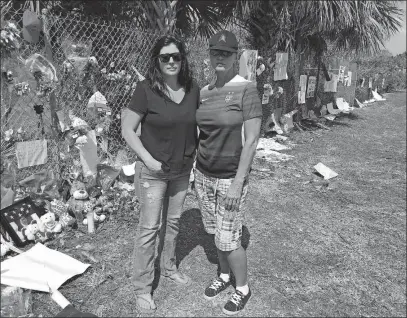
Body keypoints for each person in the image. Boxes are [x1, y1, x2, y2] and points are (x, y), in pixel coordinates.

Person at [122, 35, 200, 313]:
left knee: (174, 222)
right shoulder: (146, 89)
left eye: (176, 56)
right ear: (156, 61)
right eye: (165, 57)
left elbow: (196, 125)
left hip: (181, 170)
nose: (171, 62)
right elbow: (128, 129)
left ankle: (168, 267)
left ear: (183, 59)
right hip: (153, 172)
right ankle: (142, 288)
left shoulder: (192, 89)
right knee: (149, 229)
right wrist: (148, 160)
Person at [194, 30, 262, 315]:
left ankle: (243, 288)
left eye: (226, 53)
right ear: (209, 55)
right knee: (213, 231)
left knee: (229, 238)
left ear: (236, 57)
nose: (220, 57)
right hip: (203, 174)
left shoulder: (246, 89)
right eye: (215, 52)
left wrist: (237, 183)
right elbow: (201, 133)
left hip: (230, 177)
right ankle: (223, 277)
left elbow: (252, 140)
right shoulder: (204, 92)